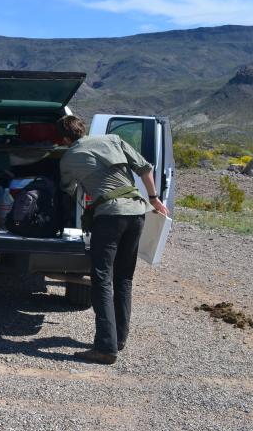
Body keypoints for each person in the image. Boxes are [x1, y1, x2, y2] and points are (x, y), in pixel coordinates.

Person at [57, 114, 170, 365]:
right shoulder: (114, 139)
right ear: (83, 129)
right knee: (124, 278)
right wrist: (154, 198)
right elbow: (145, 168)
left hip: (109, 217)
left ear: (65, 139)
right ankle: (118, 338)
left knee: (101, 279)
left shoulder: (69, 157)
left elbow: (67, 189)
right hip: (137, 213)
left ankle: (105, 348)